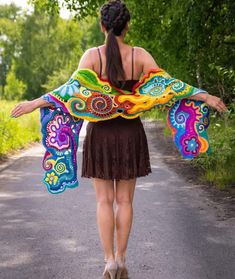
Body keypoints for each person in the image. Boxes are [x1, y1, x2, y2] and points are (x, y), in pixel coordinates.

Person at [10, 1, 227, 278]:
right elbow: (170, 86)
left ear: (102, 26)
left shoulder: (91, 57)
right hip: (130, 135)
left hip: (100, 135)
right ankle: (122, 259)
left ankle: (109, 260)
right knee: (125, 201)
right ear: (127, 26)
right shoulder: (139, 55)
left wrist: (35, 103)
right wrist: (204, 95)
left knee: (104, 201)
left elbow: (67, 92)